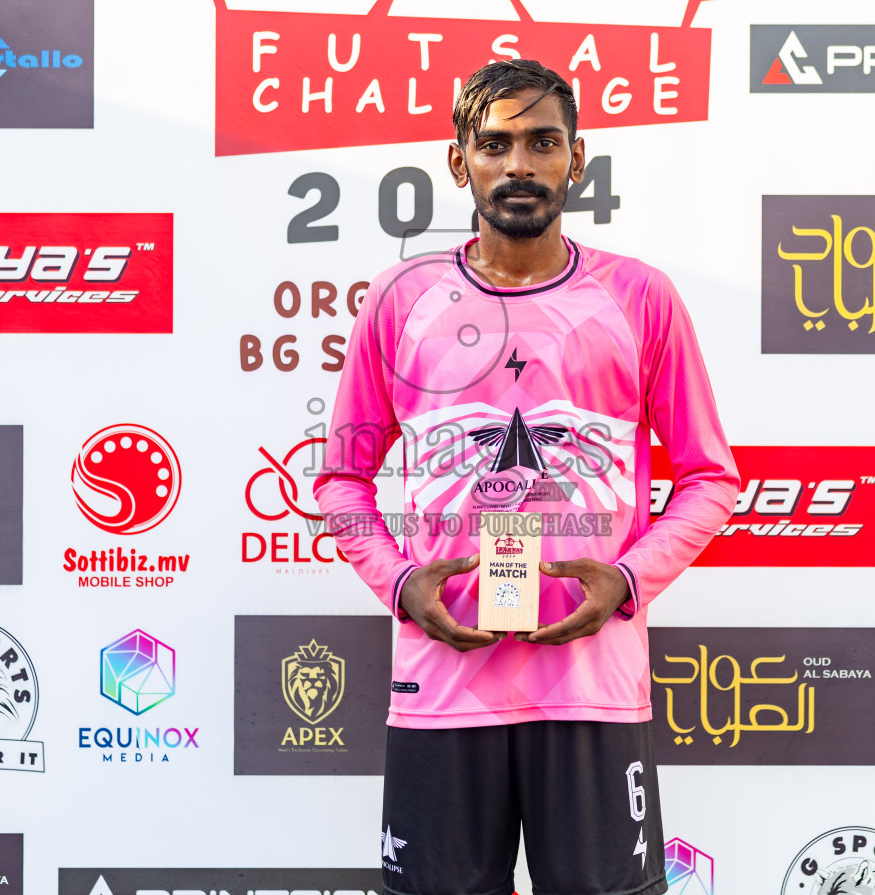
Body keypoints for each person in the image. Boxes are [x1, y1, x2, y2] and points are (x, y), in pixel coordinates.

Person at [313, 58, 739, 895]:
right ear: (458, 161)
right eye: (496, 144)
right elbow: (341, 480)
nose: (519, 166)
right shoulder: (402, 298)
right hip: (442, 686)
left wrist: (624, 580)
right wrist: (401, 585)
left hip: (590, 690)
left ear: (577, 160)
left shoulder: (640, 297)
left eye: (543, 143)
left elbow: (709, 477)